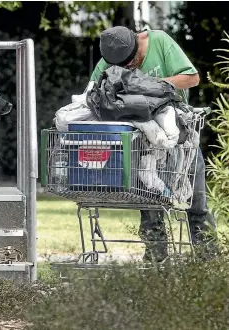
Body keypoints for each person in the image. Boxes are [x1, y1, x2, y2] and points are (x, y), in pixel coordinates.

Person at [89, 26, 217, 262]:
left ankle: (209, 263)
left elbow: (192, 78)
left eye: (132, 63)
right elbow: (92, 97)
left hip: (180, 138)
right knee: (150, 210)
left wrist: (146, 85)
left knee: (196, 205)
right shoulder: (111, 57)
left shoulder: (159, 41)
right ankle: (156, 265)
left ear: (138, 44)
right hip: (143, 146)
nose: (128, 68)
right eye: (122, 67)